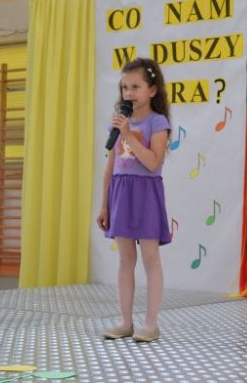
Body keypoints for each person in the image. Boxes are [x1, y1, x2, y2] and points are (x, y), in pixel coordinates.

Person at [97, 57, 171, 343]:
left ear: (152, 90)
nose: (128, 93)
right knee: (125, 259)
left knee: (150, 258)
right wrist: (104, 204)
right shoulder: (118, 125)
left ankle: (151, 324)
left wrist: (129, 135)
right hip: (121, 193)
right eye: (124, 87)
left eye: (135, 87)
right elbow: (110, 167)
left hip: (146, 193)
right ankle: (125, 321)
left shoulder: (157, 122)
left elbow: (152, 162)